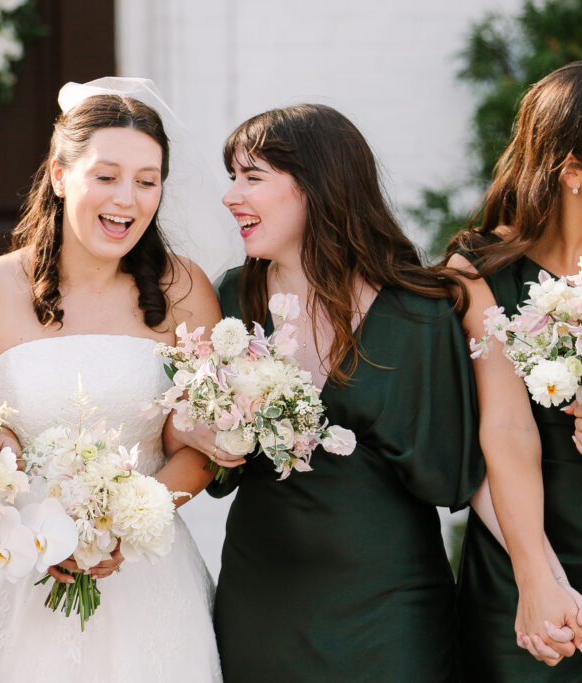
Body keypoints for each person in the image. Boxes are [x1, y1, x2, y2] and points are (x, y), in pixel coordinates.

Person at [0, 85, 223, 682]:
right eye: (106, 176)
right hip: (17, 574)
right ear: (60, 176)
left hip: (150, 582)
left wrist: (126, 523)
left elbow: (197, 447)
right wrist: (35, 524)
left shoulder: (185, 290)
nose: (127, 200)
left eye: (147, 180)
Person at [184, 103, 484, 681]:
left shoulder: (418, 313)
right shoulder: (228, 302)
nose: (231, 196)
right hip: (263, 601)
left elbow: (463, 468)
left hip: (391, 607)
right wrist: (194, 429)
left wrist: (538, 571)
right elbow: (193, 445)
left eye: (252, 177)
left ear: (316, 187)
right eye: (232, 178)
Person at [448, 59, 582, 680]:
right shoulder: (478, 267)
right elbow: (505, 428)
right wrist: (536, 579)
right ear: (572, 173)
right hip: (525, 551)